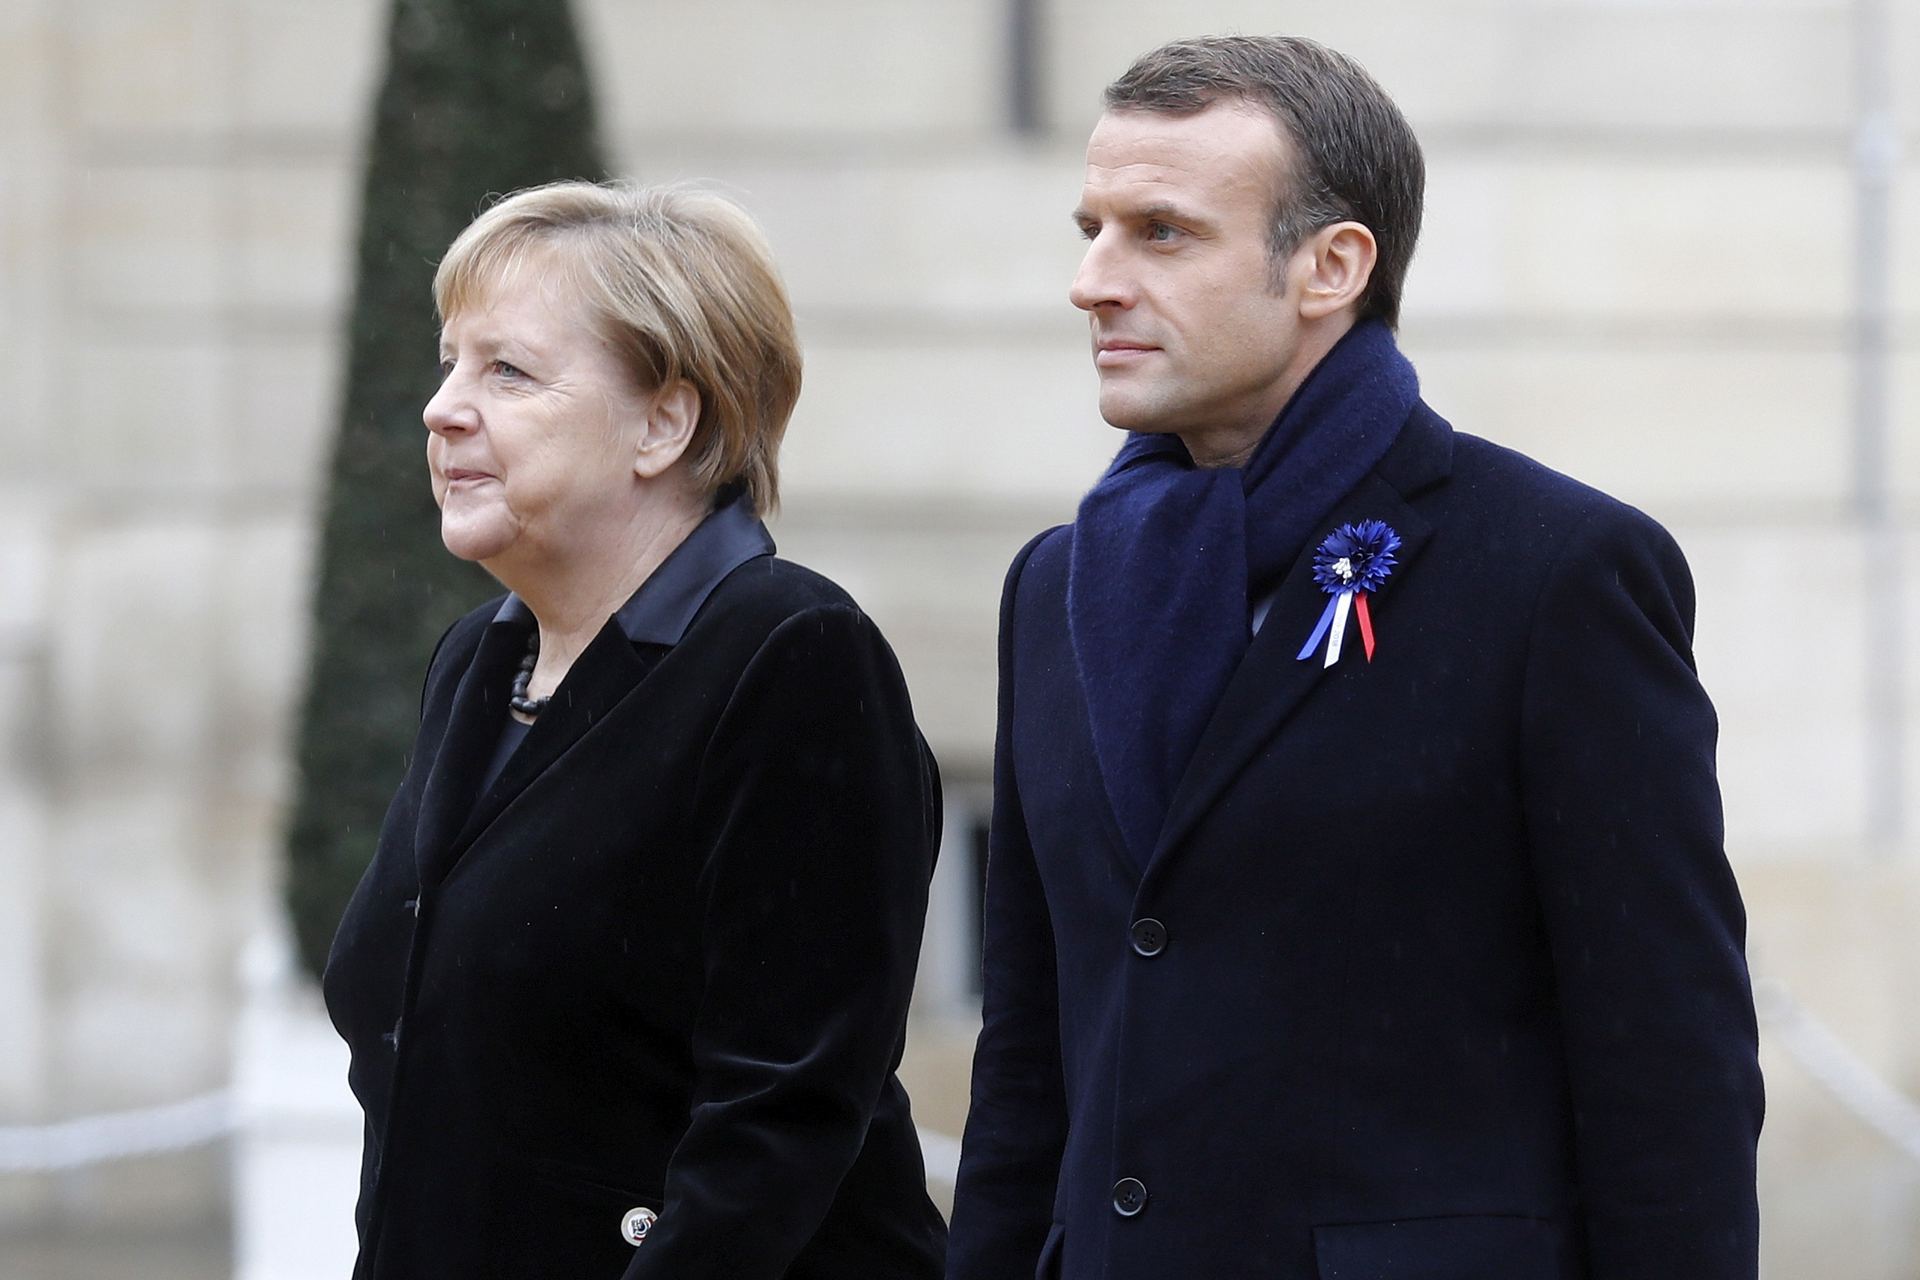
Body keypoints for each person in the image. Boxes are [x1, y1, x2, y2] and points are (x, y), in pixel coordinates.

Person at [946, 35, 1763, 1280]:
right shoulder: (1054, 585)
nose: (1092, 280)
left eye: (1160, 232)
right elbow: (1029, 1061)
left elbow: (1671, 1074)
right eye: (1092, 226)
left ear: (1330, 266)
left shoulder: (1556, 571)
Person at [322, 180, 948, 1280]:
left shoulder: (791, 656)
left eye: (506, 371)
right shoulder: (478, 659)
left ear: (666, 420)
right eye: (449, 362)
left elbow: (776, 1122)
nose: (442, 407)